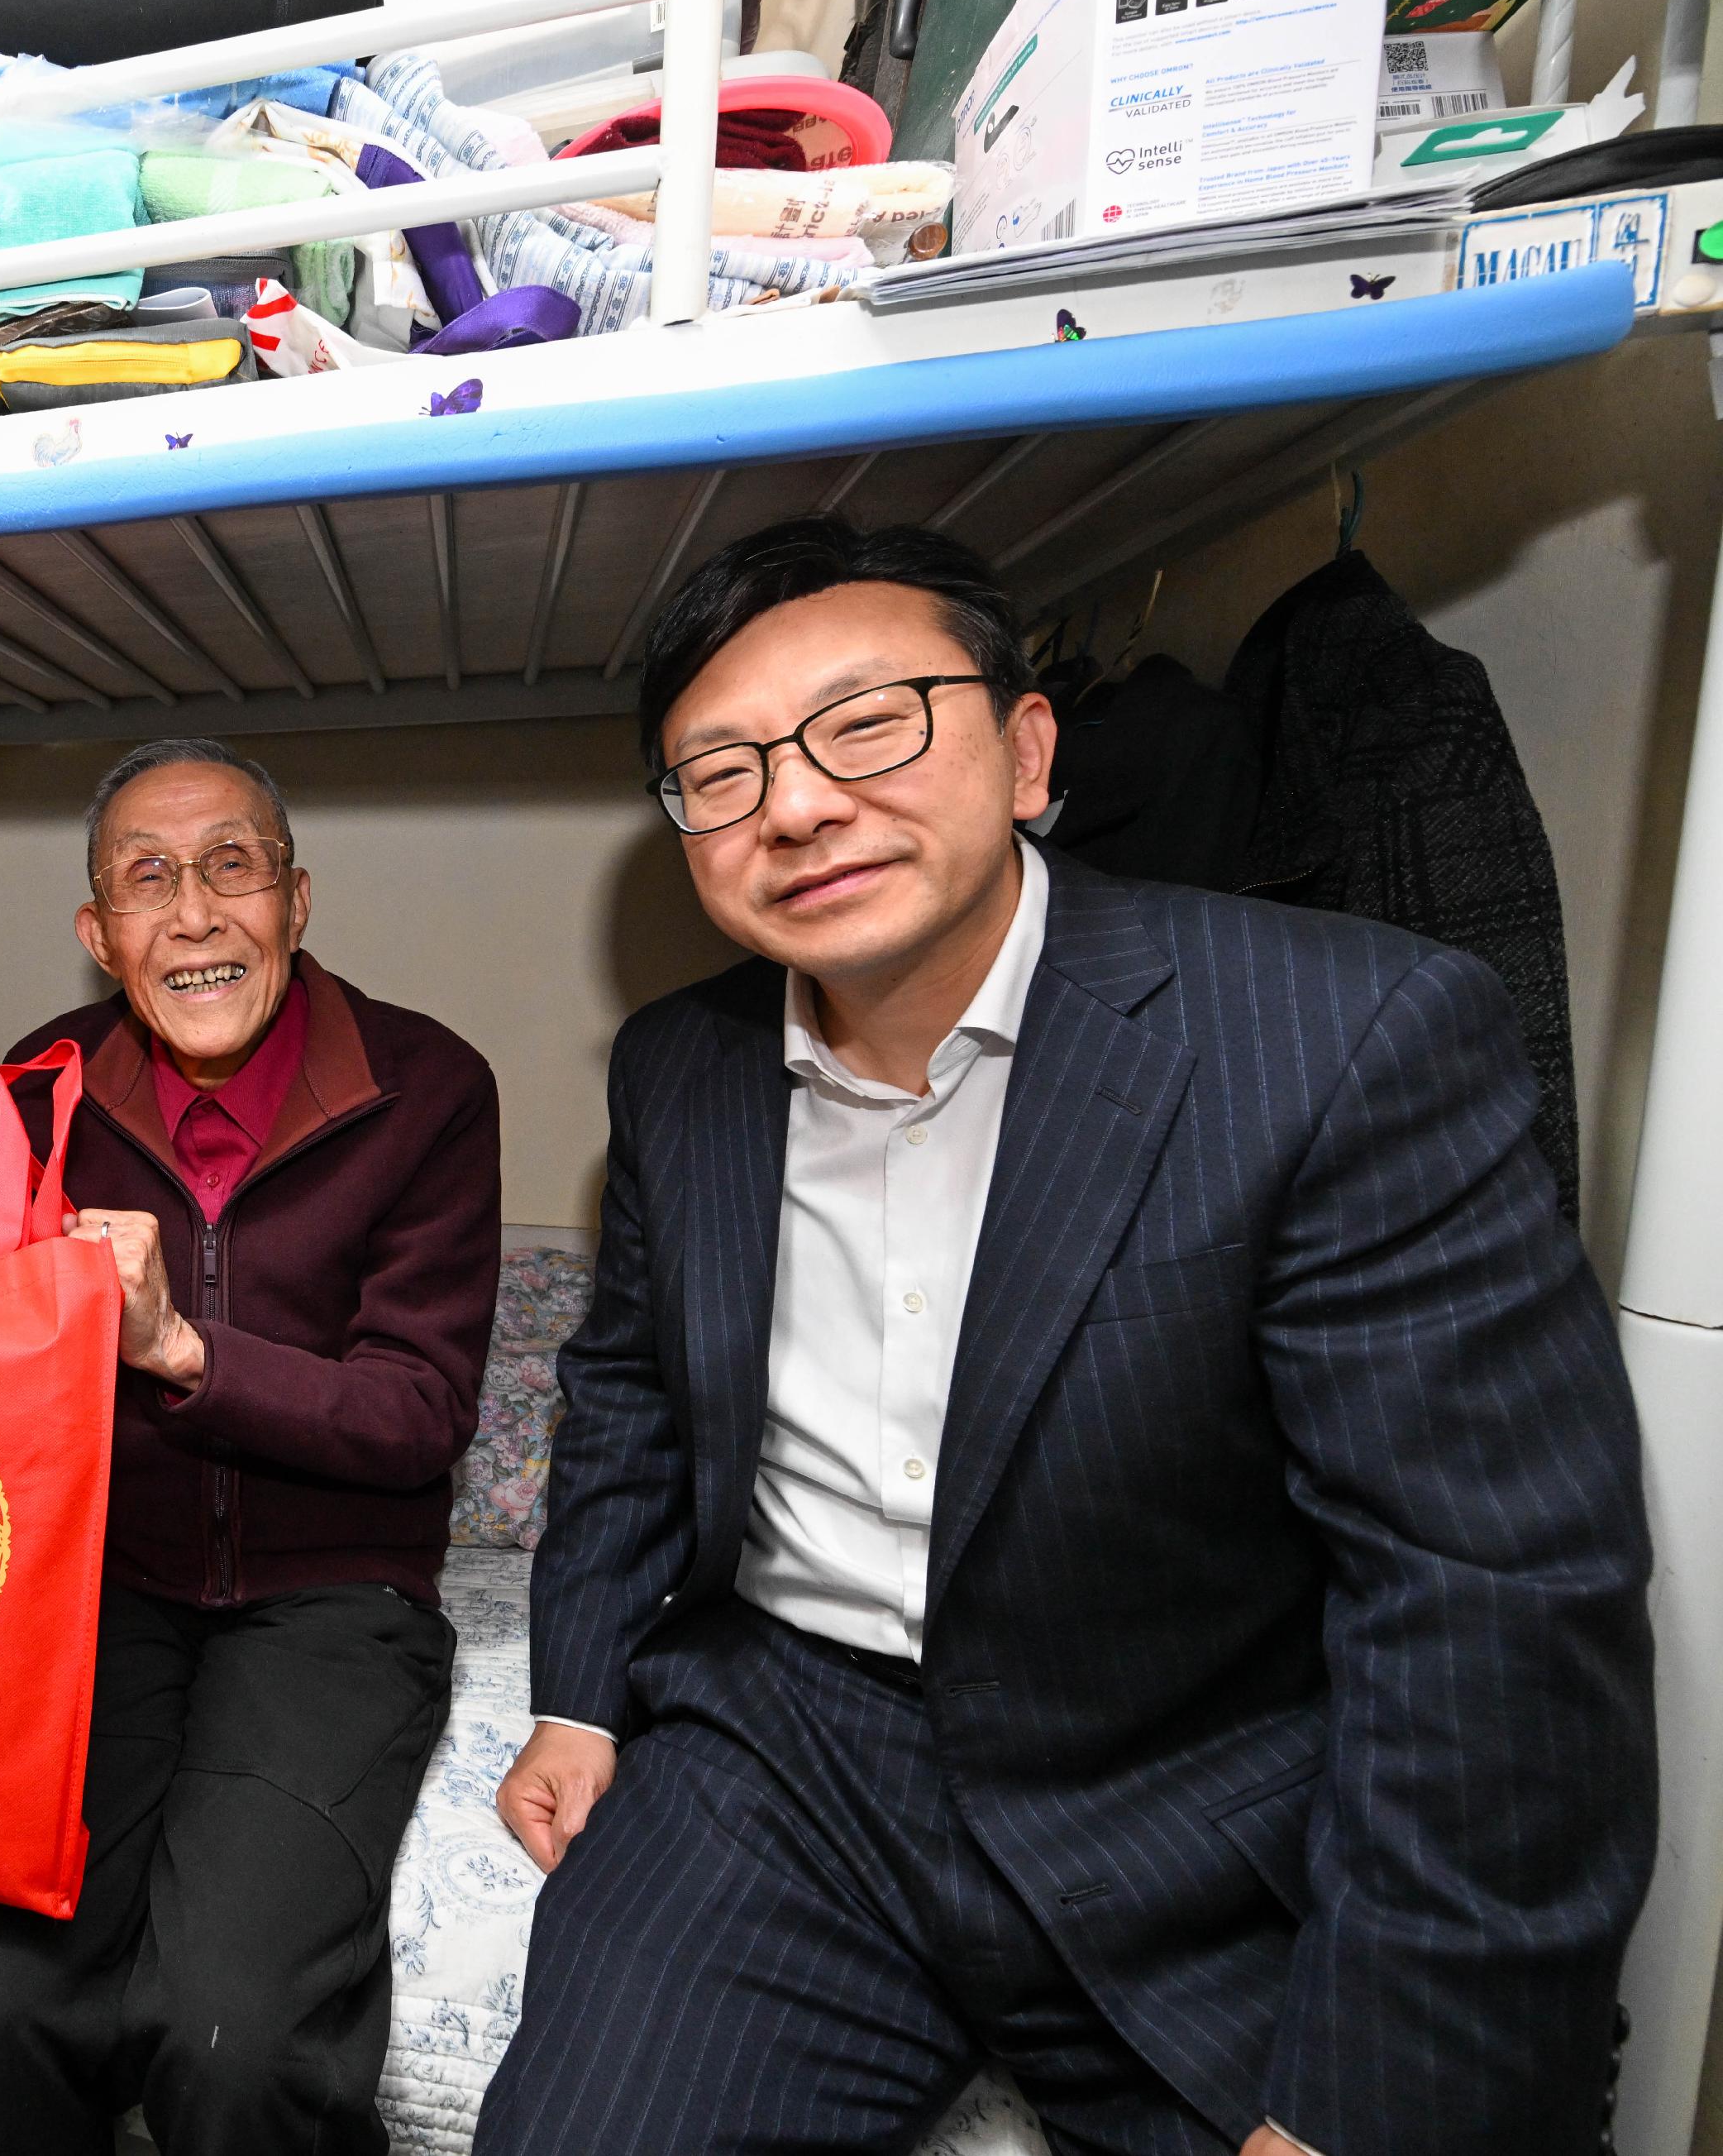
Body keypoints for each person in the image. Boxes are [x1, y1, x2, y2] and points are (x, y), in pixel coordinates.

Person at [480, 517, 1655, 2156]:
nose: (799, 801)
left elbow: (1487, 1619)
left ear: (1029, 750)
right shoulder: (681, 1071)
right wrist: (583, 1694)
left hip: (1178, 1775)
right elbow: (622, 1394)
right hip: (784, 1756)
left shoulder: (1342, 1039)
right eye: (722, 771)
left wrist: (1357, 2103)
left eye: (867, 722)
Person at [0, 739, 504, 2155]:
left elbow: (418, 1414)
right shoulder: (39, 1090)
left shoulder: (426, 1084)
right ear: (99, 934)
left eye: (233, 866)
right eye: (148, 878)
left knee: (227, 2029)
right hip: (94, 1593)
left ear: (297, 901)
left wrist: (182, 1349)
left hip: (332, 1601)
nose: (194, 913)